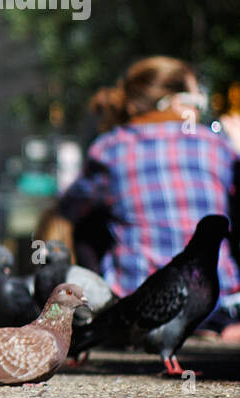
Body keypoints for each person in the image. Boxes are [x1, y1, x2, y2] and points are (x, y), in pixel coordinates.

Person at [59, 56, 240, 309]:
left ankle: (98, 307)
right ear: (176, 103)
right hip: (216, 303)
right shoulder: (216, 144)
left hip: (140, 307)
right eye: (197, 102)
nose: (200, 112)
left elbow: (67, 209)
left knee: (88, 214)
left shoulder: (110, 147)